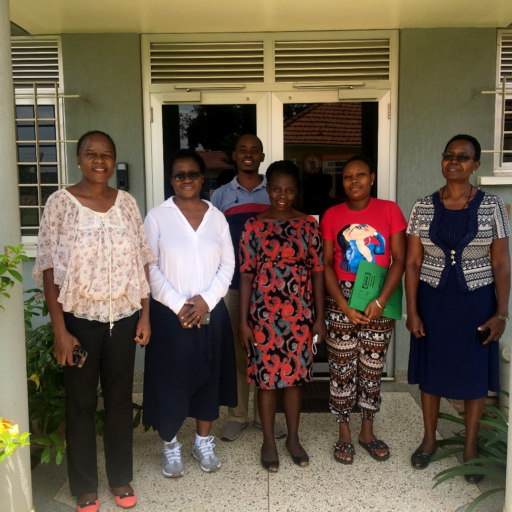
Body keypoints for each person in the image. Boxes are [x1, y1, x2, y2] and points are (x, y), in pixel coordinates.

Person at [33, 131, 156, 512]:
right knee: (80, 403)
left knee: (120, 400)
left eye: (106, 155)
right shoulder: (60, 204)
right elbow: (49, 269)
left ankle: (120, 478)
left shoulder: (128, 204)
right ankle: (85, 485)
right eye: (91, 154)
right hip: (79, 321)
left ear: (114, 159)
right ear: (79, 159)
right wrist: (60, 330)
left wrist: (145, 315)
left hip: (123, 316)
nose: (99, 160)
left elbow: (140, 261)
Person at [406, 134, 510, 482]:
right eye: (449, 155)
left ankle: (470, 447)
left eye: (463, 157)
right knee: (432, 371)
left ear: (476, 165)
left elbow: (501, 264)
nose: (455, 161)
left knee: (474, 374)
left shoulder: (492, 205)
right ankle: (428, 440)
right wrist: (413, 311)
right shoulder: (422, 206)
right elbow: (412, 264)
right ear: (442, 160)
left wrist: (501, 313)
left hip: (477, 302)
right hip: (433, 301)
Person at [143, 149, 237, 477]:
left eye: (192, 175)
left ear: (202, 178)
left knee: (209, 377)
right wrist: (179, 304)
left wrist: (206, 301)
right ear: (171, 180)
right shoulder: (157, 216)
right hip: (170, 315)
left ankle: (203, 441)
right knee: (170, 380)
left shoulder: (216, 217)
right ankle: (170, 446)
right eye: (179, 175)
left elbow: (228, 264)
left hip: (211, 312)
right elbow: (149, 265)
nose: (186, 180)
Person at [239, 160, 326, 472]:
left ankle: (292, 438)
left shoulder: (308, 226)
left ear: (296, 191)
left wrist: (319, 318)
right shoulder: (254, 226)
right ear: (267, 188)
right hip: (262, 316)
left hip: (299, 316)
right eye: (277, 189)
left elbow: (318, 273)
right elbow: (246, 276)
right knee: (266, 382)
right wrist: (243, 322)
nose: (283, 195)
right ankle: (268, 440)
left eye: (289, 190)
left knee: (294, 381)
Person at [321, 155, 407, 465]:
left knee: (372, 368)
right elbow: (327, 264)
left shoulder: (389, 210)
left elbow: (399, 259)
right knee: (341, 368)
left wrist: (381, 300)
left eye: (360, 175)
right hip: (340, 298)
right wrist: (343, 305)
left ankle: (366, 432)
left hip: (379, 296)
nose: (353, 181)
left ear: (372, 178)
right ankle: (344, 432)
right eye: (347, 177)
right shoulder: (331, 215)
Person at [212, 134, 287, 442]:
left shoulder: (273, 191)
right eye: (242, 150)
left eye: (254, 150)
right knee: (239, 352)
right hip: (233, 285)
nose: (248, 155)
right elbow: (213, 240)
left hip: (271, 288)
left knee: (271, 351)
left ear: (262, 155)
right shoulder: (220, 195)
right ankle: (238, 415)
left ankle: (265, 417)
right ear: (234, 155)